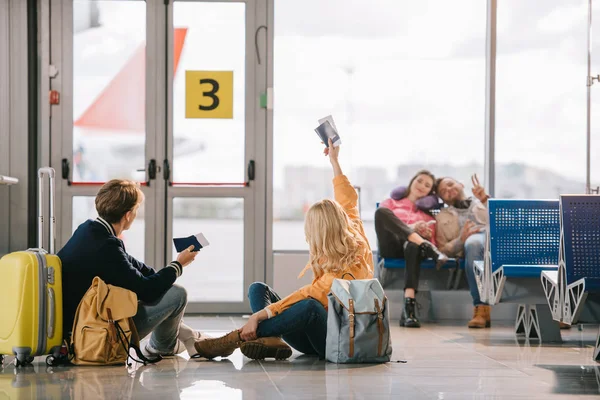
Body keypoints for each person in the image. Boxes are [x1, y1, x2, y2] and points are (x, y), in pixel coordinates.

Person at [194, 138, 373, 360]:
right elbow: (347, 197)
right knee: (259, 289)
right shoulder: (354, 229)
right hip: (313, 330)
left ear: (320, 233)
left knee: (308, 306)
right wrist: (334, 161)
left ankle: (234, 339)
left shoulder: (345, 271)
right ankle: (272, 340)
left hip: (333, 341)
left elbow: (304, 296)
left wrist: (257, 316)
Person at [58, 179, 208, 358]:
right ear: (128, 215)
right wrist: (178, 265)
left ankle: (192, 338)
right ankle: (163, 347)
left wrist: (163, 274)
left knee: (162, 290)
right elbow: (147, 291)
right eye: (136, 210)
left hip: (82, 321)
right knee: (177, 294)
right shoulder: (107, 247)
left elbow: (138, 269)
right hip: (93, 331)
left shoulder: (90, 230)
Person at [374, 170, 448, 328]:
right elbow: (383, 222)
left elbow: (434, 240)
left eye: (427, 185)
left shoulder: (428, 216)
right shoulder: (391, 203)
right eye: (420, 181)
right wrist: (413, 227)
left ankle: (409, 309)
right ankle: (423, 244)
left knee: (414, 244)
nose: (422, 186)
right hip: (391, 246)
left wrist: (427, 237)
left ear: (430, 192)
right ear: (412, 181)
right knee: (381, 212)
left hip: (412, 251)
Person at [434, 174, 489, 328]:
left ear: (461, 184)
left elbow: (504, 220)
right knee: (473, 243)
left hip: (496, 241)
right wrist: (461, 240)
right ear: (442, 199)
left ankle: (549, 311)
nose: (448, 190)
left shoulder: (482, 202)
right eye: (443, 191)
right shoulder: (442, 217)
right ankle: (480, 307)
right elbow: (442, 249)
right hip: (473, 244)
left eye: (450, 184)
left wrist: (485, 199)